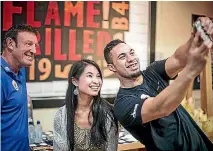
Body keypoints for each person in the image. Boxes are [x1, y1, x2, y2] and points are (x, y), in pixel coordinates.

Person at [104, 17, 213, 151]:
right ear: (112, 67)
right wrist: (190, 71)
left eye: (131, 53)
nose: (130, 59)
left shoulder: (152, 72)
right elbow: (161, 107)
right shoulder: (122, 105)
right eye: (122, 57)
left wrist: (196, 36)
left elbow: (178, 58)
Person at [53, 59, 118, 151]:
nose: (96, 81)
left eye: (98, 76)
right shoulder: (61, 115)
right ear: (75, 81)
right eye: (89, 76)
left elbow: (111, 148)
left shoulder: (108, 114)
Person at [1, 24, 38, 151]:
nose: (34, 50)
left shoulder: (20, 70)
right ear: (10, 44)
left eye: (35, 45)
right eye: (28, 44)